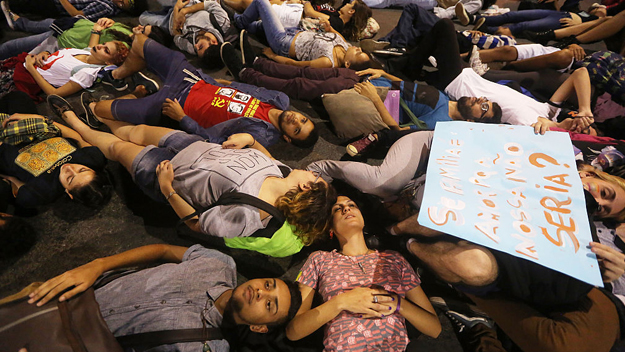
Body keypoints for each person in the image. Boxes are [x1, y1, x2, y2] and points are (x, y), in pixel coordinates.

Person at [50, 95, 336, 246]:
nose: (312, 173)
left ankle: (79, 125)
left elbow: (197, 224)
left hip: (168, 172)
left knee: (115, 150)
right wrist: (251, 140)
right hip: (194, 145)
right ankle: (101, 118)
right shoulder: (284, 172)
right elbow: (269, 159)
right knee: (135, 131)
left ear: (306, 189)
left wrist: (167, 189)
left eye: (315, 178)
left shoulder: (251, 217)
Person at [25, 243, 303, 352]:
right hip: (70, 294)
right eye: (268, 284)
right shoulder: (220, 263)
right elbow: (162, 250)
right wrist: (98, 264)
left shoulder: (211, 349)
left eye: (269, 304)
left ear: (259, 327)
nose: (261, 292)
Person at [85, 32, 319, 148]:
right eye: (303, 119)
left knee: (99, 108)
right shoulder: (280, 98)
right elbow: (249, 88)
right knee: (138, 41)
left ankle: (136, 93)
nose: (295, 119)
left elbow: (214, 140)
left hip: (176, 104)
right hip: (194, 78)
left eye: (297, 129)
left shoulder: (261, 137)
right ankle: (117, 75)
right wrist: (225, 84)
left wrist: (182, 118)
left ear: (287, 138)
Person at [287, 195, 441, 350]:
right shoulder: (319, 260)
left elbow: (434, 328)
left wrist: (398, 303)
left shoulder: (394, 259)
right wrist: (342, 302)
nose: (346, 208)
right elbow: (294, 331)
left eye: (351, 205)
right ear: (330, 228)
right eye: (337, 209)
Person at [406, 19, 594, 130]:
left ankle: (406, 66)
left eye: (584, 130)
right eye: (588, 127)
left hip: (459, 84)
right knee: (448, 37)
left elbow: (540, 134)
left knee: (445, 26)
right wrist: (586, 109)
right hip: (470, 75)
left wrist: (561, 128)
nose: (583, 125)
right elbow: (580, 72)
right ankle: (407, 63)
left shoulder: (534, 129)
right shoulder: (549, 111)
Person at [0, 112, 112, 209]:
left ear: (69, 193)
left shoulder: (43, 192)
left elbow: (14, 185)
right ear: (92, 170)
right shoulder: (93, 159)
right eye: (82, 170)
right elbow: (77, 138)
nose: (69, 168)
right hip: (32, 127)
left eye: (70, 178)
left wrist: (9, 176)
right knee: (19, 98)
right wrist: (39, 118)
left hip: (4, 146)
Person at [234, 0, 372, 68]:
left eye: (358, 53)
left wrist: (273, 56)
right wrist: (328, 27)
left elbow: (296, 65)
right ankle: (234, 20)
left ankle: (238, 21)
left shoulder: (328, 61)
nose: (358, 48)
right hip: (295, 30)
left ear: (347, 64)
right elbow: (331, 30)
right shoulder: (344, 43)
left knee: (261, 2)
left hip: (283, 42)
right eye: (361, 49)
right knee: (255, 26)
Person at [139, 0, 238, 68]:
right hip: (186, 4)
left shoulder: (193, 48)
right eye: (200, 46)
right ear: (214, 41)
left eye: (197, 49)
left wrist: (175, 16)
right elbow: (211, 4)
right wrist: (183, 11)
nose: (195, 45)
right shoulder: (222, 24)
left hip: (169, 21)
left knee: (142, 18)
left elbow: (177, 38)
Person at [1, 0, 145, 26]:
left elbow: (76, 15)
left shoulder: (106, 7)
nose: (119, 1)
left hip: (57, 5)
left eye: (122, 4)